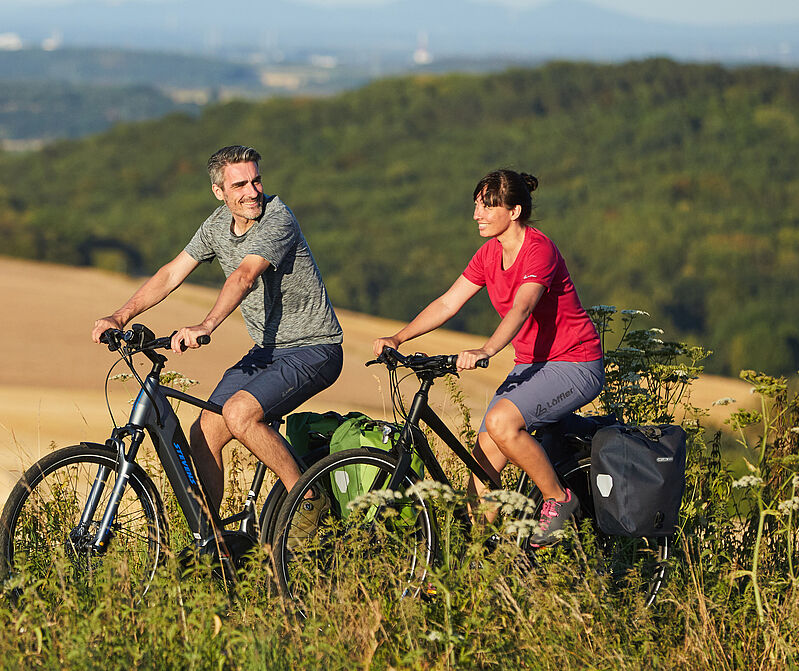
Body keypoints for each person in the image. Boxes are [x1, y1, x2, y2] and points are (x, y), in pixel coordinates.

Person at [91, 145, 344, 526]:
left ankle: (307, 500)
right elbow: (171, 273)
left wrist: (206, 325)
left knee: (239, 413)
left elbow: (243, 276)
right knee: (205, 430)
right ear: (219, 192)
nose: (252, 191)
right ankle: (211, 541)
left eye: (256, 180)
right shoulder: (215, 226)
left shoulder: (278, 218)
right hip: (268, 351)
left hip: (314, 348)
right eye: (240, 184)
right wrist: (120, 316)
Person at [372, 169, 604, 547]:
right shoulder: (489, 254)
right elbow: (449, 302)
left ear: (514, 211)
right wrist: (399, 337)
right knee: (481, 466)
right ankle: (477, 560)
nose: (477, 214)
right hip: (533, 365)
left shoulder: (538, 249)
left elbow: (523, 307)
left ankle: (558, 499)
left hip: (575, 363)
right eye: (477, 205)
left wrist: (487, 350)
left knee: (500, 422)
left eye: (488, 206)